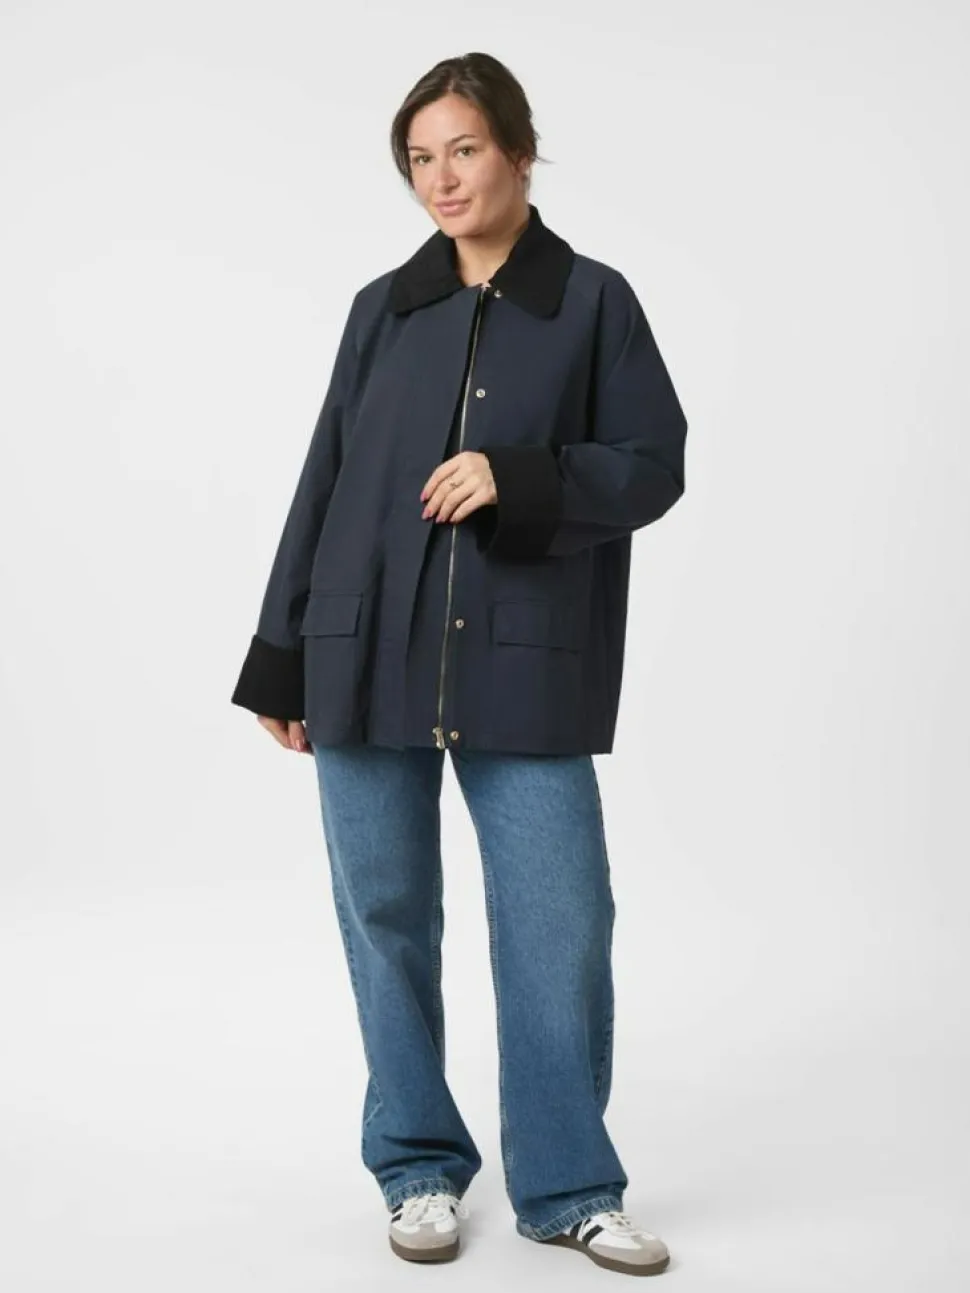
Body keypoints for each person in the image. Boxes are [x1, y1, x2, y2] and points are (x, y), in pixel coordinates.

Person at [230, 51, 687, 1277]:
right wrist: (282, 655)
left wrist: (517, 476)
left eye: (464, 151)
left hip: (523, 661)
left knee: (558, 922)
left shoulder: (591, 302)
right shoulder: (384, 308)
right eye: (419, 158)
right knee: (384, 917)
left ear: (519, 154)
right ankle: (416, 1167)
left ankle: (569, 1187)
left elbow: (653, 464)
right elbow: (326, 476)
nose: (440, 179)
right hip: (362, 649)